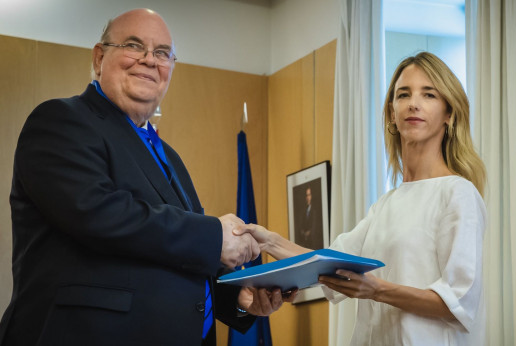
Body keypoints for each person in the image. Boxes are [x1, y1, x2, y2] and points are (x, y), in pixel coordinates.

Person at [0, 9, 293, 346]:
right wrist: (214, 237)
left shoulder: (169, 156)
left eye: (162, 53)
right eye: (134, 45)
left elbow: (170, 251)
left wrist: (236, 296)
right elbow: (99, 214)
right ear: (99, 58)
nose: (149, 61)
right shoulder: (60, 121)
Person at [238, 52, 487, 345]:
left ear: (449, 113)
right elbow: (326, 264)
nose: (413, 103)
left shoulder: (459, 194)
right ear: (392, 114)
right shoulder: (386, 204)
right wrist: (268, 241)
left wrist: (377, 290)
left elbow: (458, 303)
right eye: (403, 94)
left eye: (428, 94)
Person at [295, 185, 323, 249]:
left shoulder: (315, 210)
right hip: (304, 244)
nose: (307, 197)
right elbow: (300, 227)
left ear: (312, 196)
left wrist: (310, 232)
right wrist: (303, 233)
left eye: (309, 195)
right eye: (306, 195)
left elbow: (316, 226)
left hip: (313, 244)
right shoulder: (303, 211)